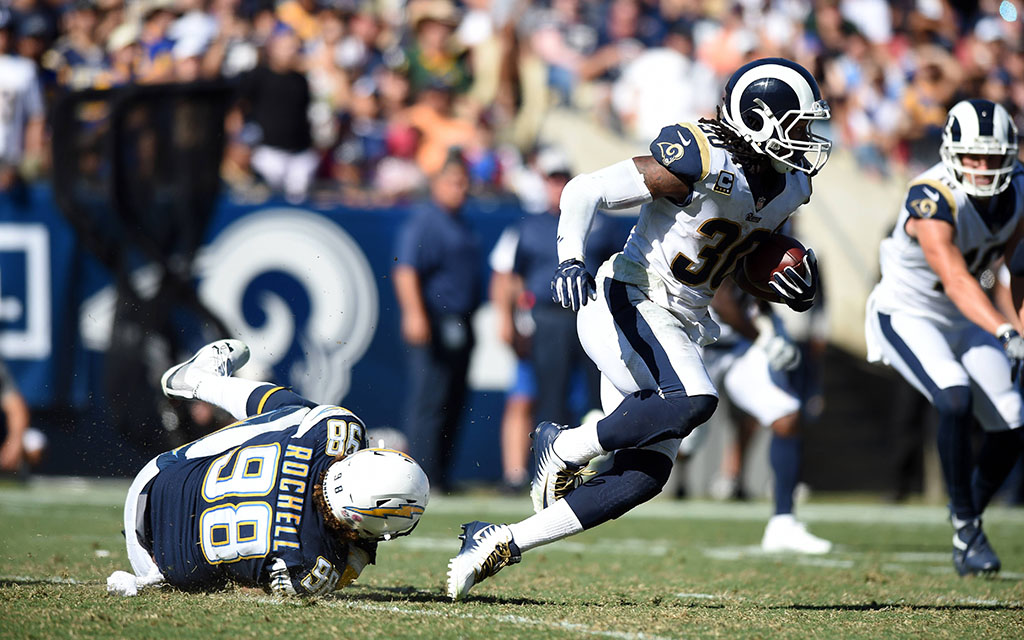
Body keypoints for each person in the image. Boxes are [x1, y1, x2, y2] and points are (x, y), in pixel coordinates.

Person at [446, 57, 829, 599]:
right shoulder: (700, 155)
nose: (807, 140)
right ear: (759, 119)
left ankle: (498, 540)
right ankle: (566, 445)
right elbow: (584, 190)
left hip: (684, 321)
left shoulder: (790, 186)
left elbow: (740, 256)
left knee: (644, 476)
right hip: (630, 299)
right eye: (797, 126)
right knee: (696, 398)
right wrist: (570, 259)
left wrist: (779, 280)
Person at [107, 340, 430, 596]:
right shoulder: (310, 568)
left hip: (157, 478)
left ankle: (198, 382)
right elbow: (347, 554)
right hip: (154, 563)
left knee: (297, 413)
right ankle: (197, 380)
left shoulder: (336, 429)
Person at [864, 98, 1024, 576]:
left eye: (991, 157)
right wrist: (1002, 329)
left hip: (965, 319)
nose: (981, 167)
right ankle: (967, 522)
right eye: (972, 157)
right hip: (909, 312)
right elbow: (955, 277)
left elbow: (1015, 271)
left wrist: (1020, 328)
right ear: (952, 152)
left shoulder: (1019, 190)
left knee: (1014, 419)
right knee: (952, 396)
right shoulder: (930, 194)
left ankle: (966, 522)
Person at [694, 280, 832, 553]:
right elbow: (721, 299)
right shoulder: (730, 238)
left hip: (739, 348)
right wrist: (764, 339)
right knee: (683, 443)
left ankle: (782, 522)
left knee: (786, 415)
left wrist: (774, 327)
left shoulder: (770, 237)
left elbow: (755, 290)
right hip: (693, 344)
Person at [393, 151, 481, 493]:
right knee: (430, 398)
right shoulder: (426, 221)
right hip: (436, 318)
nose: (460, 189)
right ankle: (424, 475)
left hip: (462, 320)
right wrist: (414, 314)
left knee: (454, 399)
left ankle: (441, 474)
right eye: (453, 182)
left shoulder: (460, 220)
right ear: (436, 184)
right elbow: (406, 269)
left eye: (464, 182)